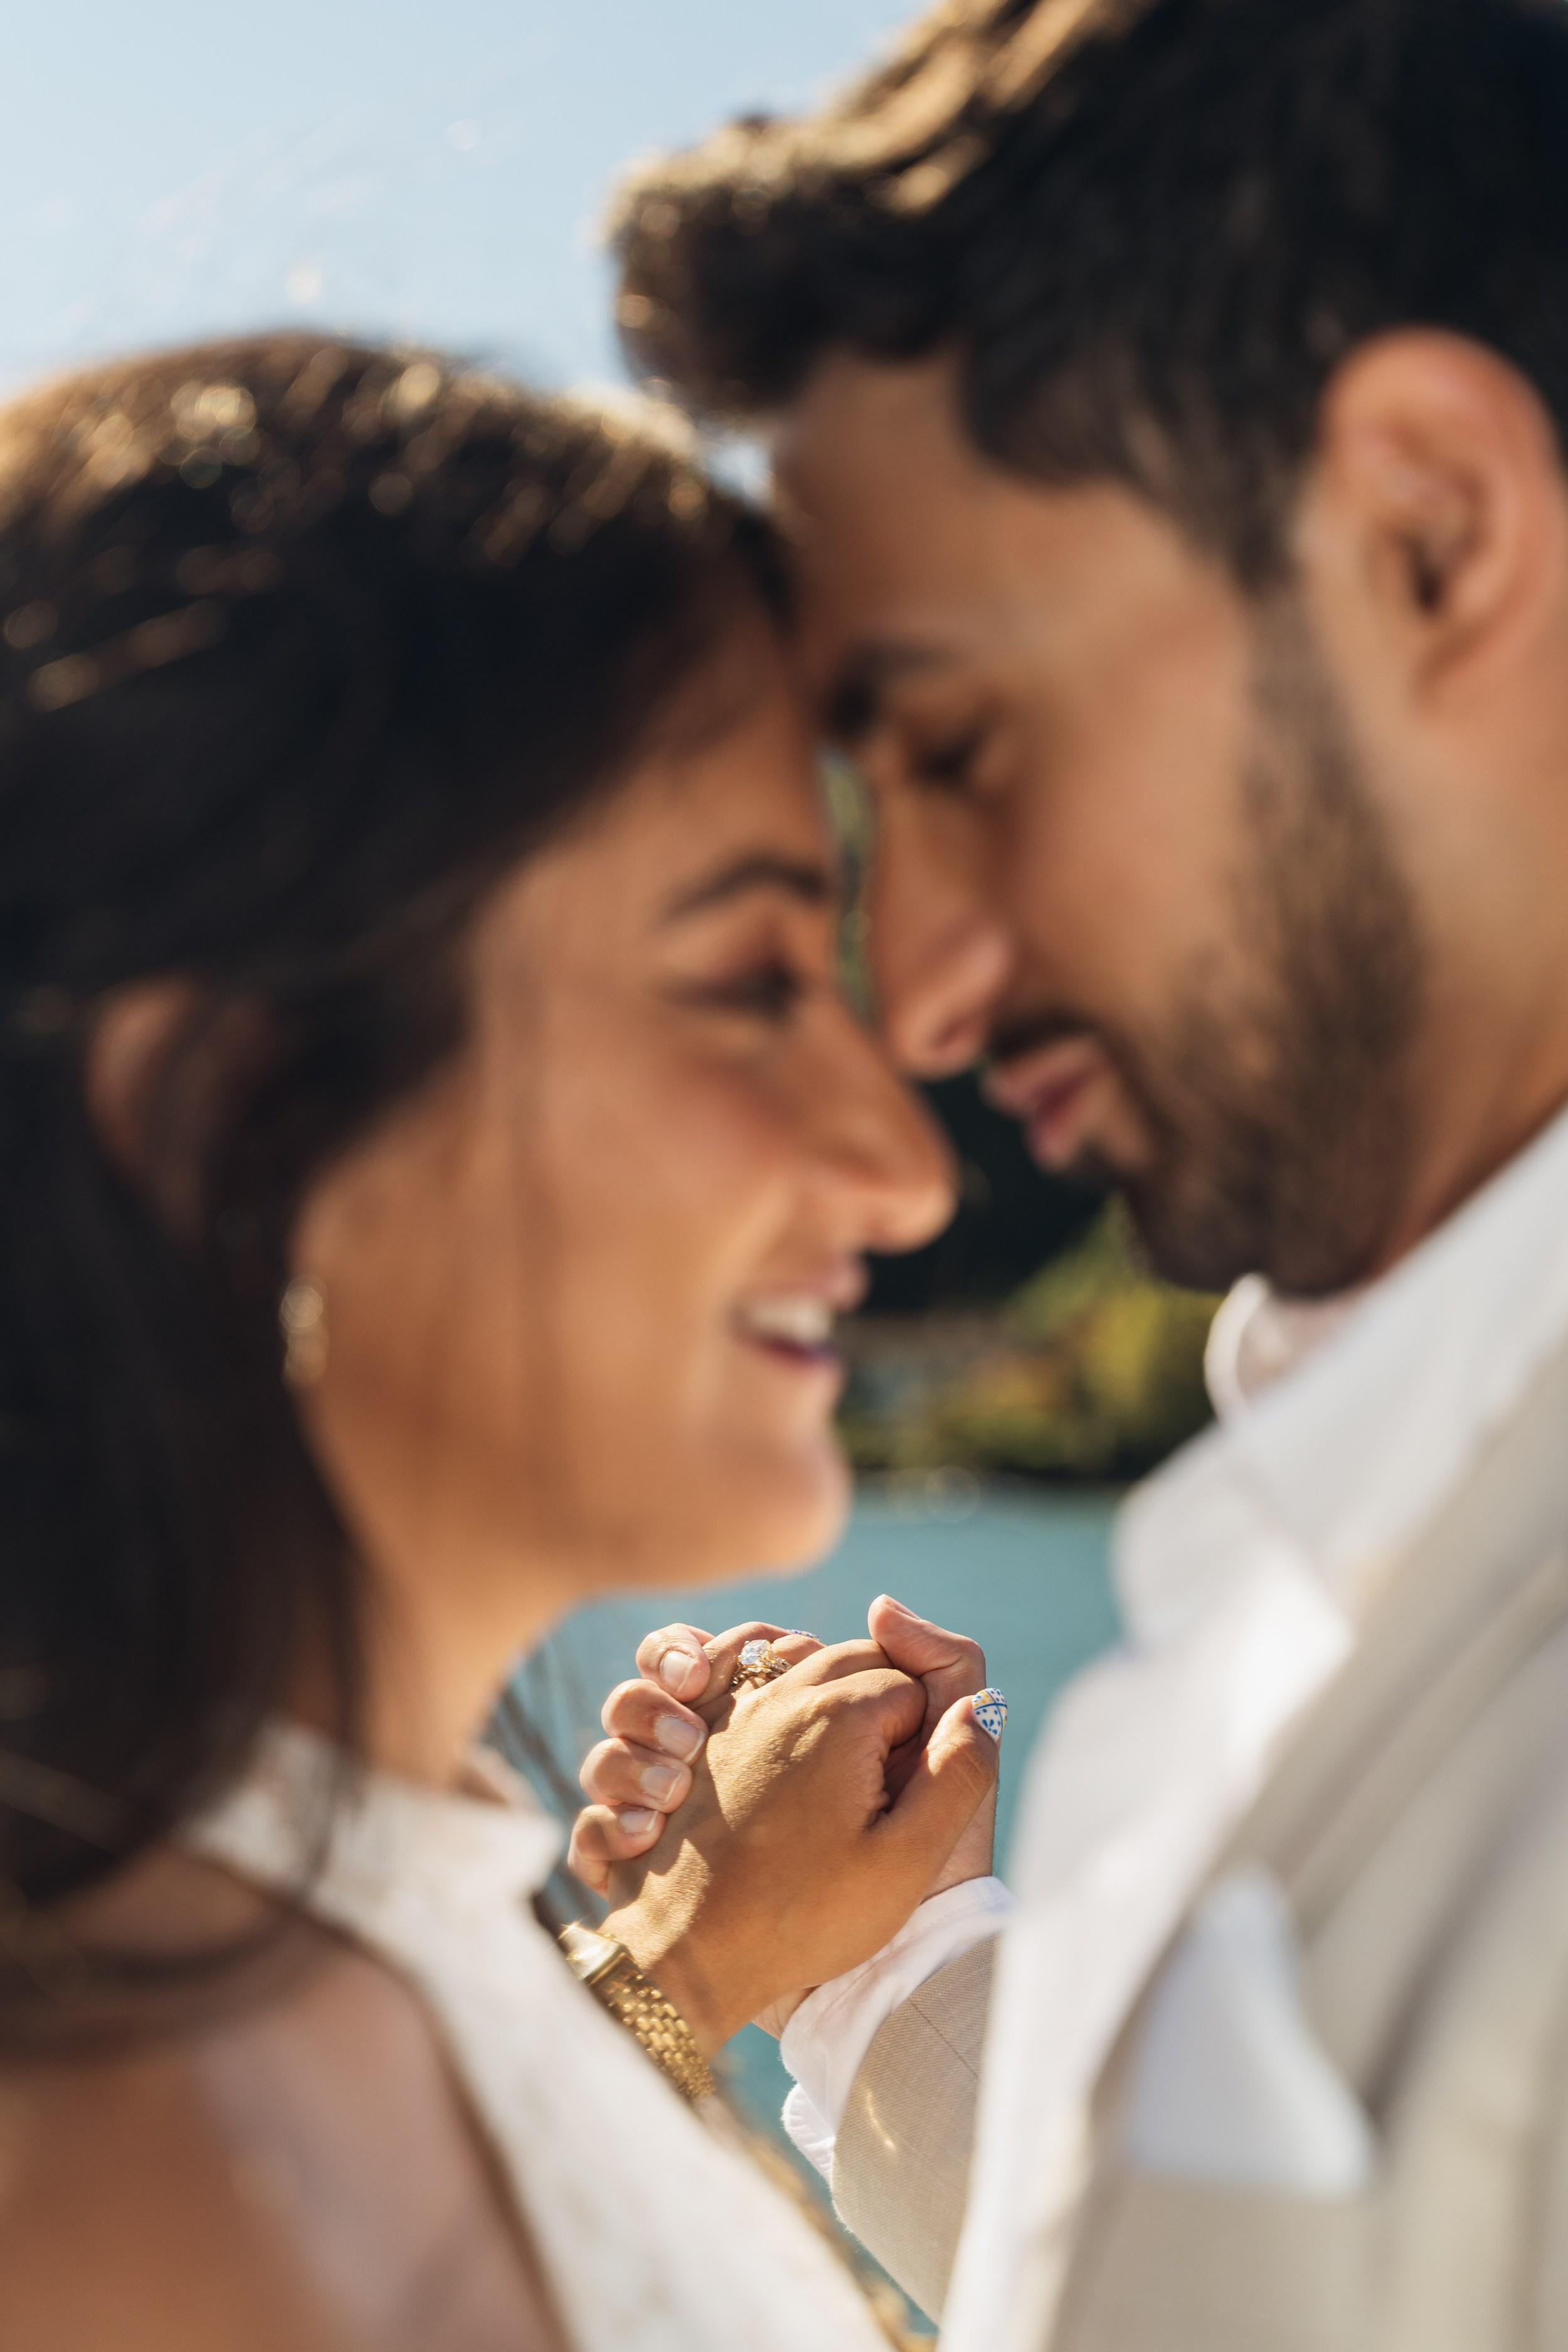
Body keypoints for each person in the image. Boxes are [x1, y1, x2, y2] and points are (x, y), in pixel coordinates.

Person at [575, 0, 1568, 2343]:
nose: (907, 997)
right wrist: (871, 1976)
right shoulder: (1406, 1479)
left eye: (958, 741)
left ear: (1426, 538)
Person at [0, 331, 1006, 2351]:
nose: (901, 1168)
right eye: (741, 978)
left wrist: (726, 1964)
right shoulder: (137, 2214)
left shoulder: (267, 1961)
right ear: (238, 1111)